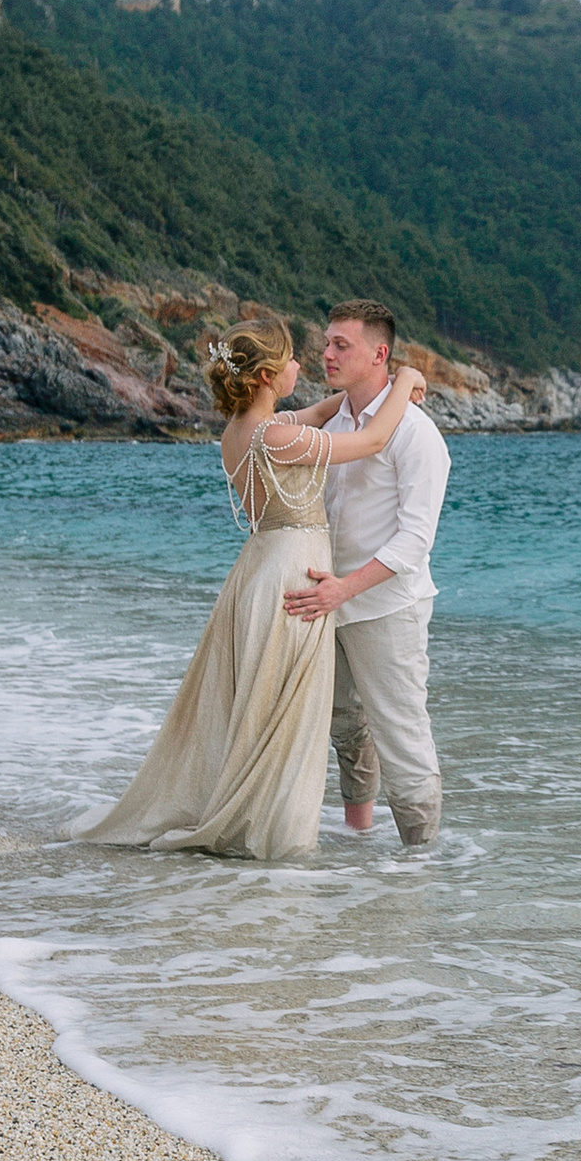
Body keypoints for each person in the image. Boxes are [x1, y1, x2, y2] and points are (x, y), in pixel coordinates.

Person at [76, 316, 427, 862]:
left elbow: (322, 411)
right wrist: (404, 381)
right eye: (290, 360)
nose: (301, 366)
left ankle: (266, 814)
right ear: (265, 374)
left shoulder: (243, 432)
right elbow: (374, 438)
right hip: (293, 571)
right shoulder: (279, 437)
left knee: (265, 698)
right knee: (286, 706)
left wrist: (366, 388)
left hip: (259, 567)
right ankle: (270, 827)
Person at [279, 299, 451, 846]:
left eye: (340, 345)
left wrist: (345, 590)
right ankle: (359, 842)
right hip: (326, 597)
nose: (325, 353)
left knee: (402, 736)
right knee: (346, 729)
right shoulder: (336, 420)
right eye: (327, 342)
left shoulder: (416, 435)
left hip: (385, 605)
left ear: (379, 354)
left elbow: (415, 542)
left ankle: (420, 866)